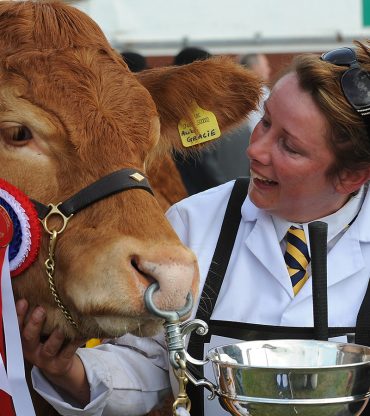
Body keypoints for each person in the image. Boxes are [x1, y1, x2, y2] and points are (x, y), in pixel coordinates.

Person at [17, 40, 370, 416]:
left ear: (350, 176)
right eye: (265, 122)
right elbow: (150, 364)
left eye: (290, 147)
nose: (256, 150)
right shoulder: (196, 220)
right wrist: (68, 370)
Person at [173, 47, 254, 195]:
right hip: (241, 195)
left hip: (208, 201)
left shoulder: (190, 114)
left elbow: (203, 165)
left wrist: (227, 195)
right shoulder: (236, 108)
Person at [238, 53, 271, 130]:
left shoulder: (235, 91)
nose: (269, 69)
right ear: (256, 67)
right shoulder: (262, 91)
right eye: (266, 65)